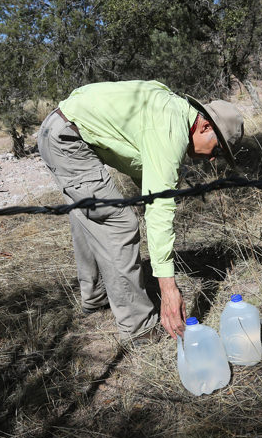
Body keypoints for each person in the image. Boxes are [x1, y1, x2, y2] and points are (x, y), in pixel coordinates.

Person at [37, 80, 244, 345]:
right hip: (68, 139)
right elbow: (159, 209)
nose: (214, 158)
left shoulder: (170, 109)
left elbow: (140, 161)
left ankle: (95, 296)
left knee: (88, 214)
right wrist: (168, 288)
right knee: (119, 223)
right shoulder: (171, 129)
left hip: (58, 128)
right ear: (205, 126)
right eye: (217, 149)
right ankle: (139, 328)